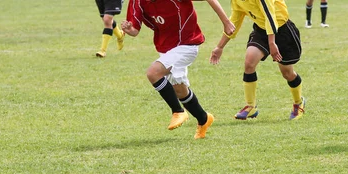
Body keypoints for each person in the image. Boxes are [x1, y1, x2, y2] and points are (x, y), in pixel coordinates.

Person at [122, 0, 235, 139]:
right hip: (166, 47)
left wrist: (226, 22)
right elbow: (135, 30)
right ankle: (204, 119)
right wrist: (129, 30)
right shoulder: (137, 1)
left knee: (153, 73)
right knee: (179, 90)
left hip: (187, 44)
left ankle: (178, 111)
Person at [210, 0, 306, 121]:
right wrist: (220, 47)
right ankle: (251, 106)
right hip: (262, 30)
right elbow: (235, 20)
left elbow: (270, 15)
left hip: (282, 30)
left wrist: (272, 42)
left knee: (287, 73)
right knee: (249, 63)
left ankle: (298, 102)